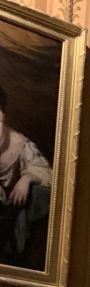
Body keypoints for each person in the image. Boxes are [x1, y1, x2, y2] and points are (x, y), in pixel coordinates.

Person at [0, 84, 53, 268]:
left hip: (11, 212)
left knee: (41, 194)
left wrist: (26, 178)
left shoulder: (19, 143)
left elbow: (44, 170)